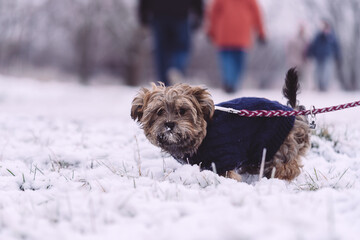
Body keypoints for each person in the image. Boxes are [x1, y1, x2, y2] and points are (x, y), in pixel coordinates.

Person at [138, 0, 204, 86]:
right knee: (182, 47)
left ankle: (162, 83)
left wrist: (143, 12)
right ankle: (176, 68)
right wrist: (199, 13)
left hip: (159, 12)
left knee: (161, 51)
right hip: (181, 12)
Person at [207, 0, 266, 93]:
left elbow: (213, 14)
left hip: (224, 33)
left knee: (226, 60)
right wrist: (261, 32)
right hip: (242, 34)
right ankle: (233, 83)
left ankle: (229, 82)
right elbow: (257, 13)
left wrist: (211, 31)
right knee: (239, 61)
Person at [307, 20, 340, 91]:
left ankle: (325, 87)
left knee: (327, 72)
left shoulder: (331, 36)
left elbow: (336, 46)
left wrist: (338, 56)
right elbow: (313, 45)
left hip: (328, 57)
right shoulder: (318, 36)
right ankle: (319, 86)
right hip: (318, 57)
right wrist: (310, 54)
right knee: (318, 72)